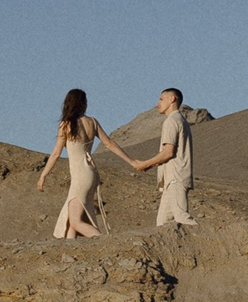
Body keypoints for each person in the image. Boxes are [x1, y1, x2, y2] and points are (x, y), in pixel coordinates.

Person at [35, 87, 136, 239]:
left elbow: (56, 154)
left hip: (81, 175)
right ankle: (70, 253)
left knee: (75, 221)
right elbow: (110, 144)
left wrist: (43, 175)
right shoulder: (92, 122)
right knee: (71, 221)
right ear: (82, 104)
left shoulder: (66, 124)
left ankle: (106, 242)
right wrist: (131, 161)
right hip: (91, 172)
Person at [127, 86, 196, 227]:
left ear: (172, 99)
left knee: (182, 217)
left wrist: (145, 164)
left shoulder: (172, 121)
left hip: (175, 178)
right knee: (163, 223)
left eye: (161, 99)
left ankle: (206, 242)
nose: (158, 104)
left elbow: (168, 152)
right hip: (170, 179)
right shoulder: (179, 120)